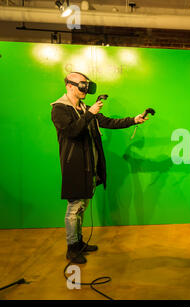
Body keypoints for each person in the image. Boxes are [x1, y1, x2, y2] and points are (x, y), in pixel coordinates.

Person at [51, 72, 148, 264]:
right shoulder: (59, 109)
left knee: (82, 206)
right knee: (74, 208)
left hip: (90, 166)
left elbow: (108, 122)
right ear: (69, 86)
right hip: (75, 167)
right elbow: (71, 132)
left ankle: (78, 243)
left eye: (87, 85)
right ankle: (72, 248)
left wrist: (134, 120)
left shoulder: (85, 108)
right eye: (82, 85)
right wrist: (89, 114)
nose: (85, 89)